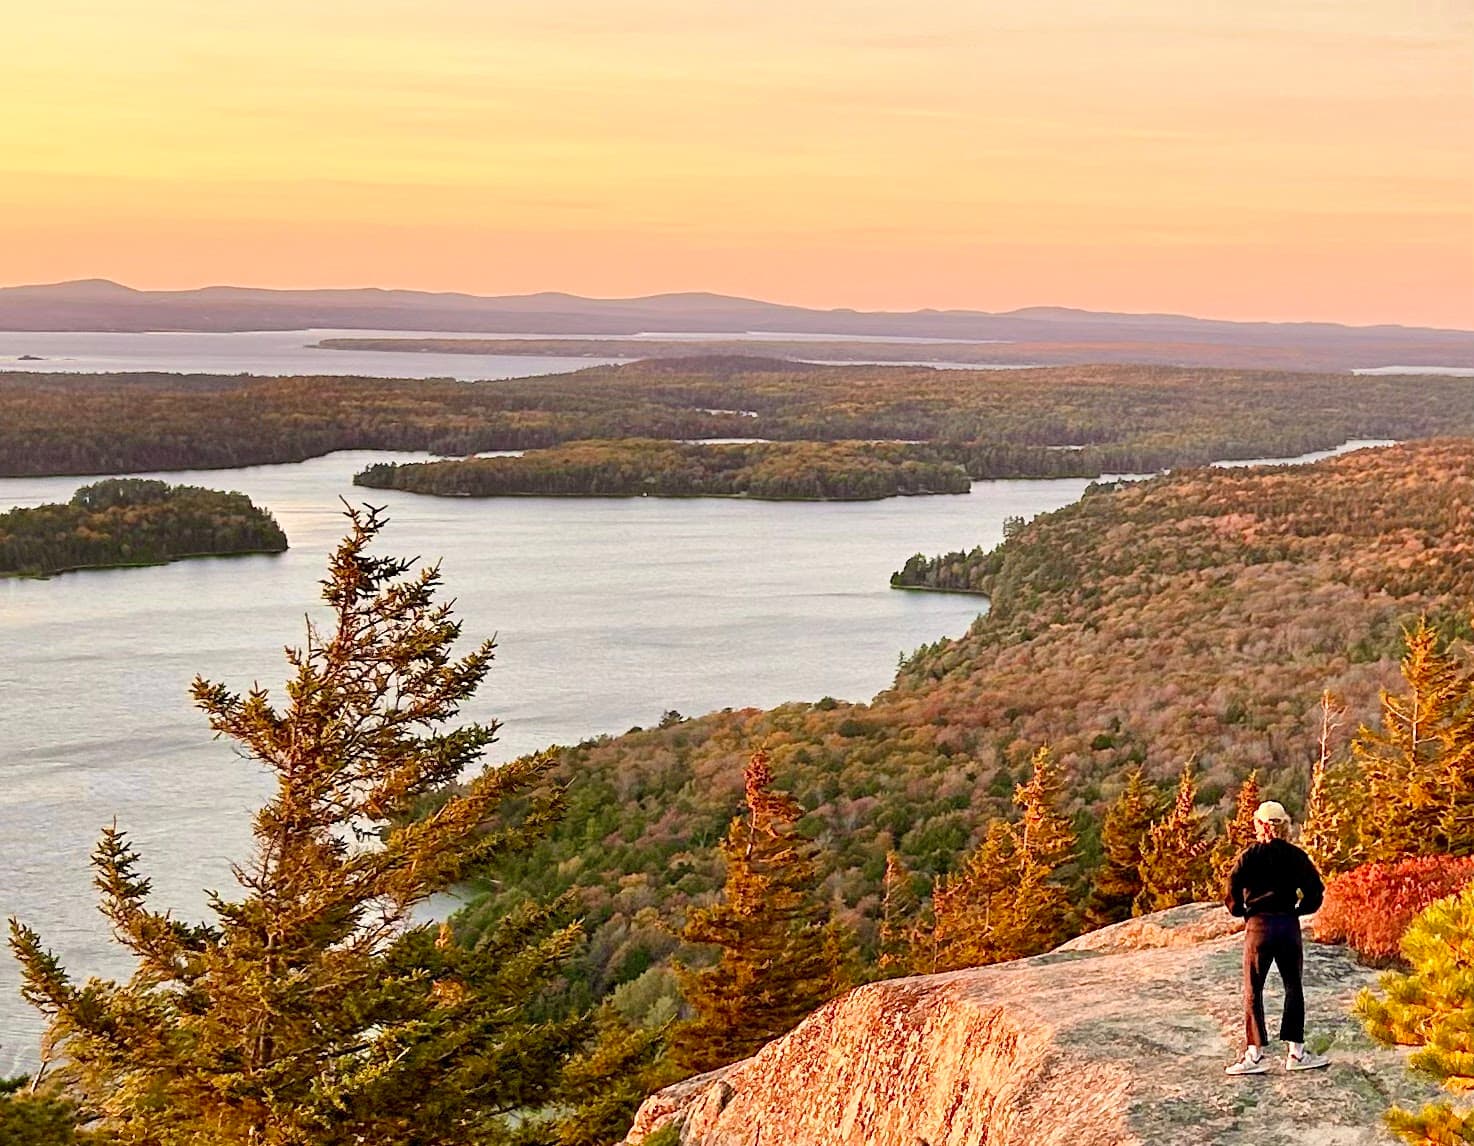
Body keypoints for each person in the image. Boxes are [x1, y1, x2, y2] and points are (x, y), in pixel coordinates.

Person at [1223, 800, 1330, 1075]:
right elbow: (1315, 891)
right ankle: (1295, 1053)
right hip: (1287, 925)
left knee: (1253, 989)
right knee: (1293, 987)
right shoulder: (1296, 856)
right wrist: (1299, 910)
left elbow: (1232, 887)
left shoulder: (1249, 857)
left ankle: (1254, 1054)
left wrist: (1241, 911)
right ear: (1283, 825)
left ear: (1259, 824)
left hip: (1258, 927)